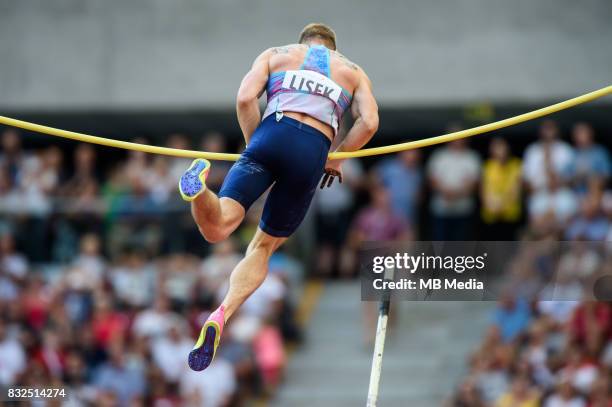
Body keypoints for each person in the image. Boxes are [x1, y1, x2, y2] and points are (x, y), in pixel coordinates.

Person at [178, 23, 378, 371]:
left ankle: (200, 191)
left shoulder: (276, 54)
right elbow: (370, 122)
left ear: (303, 43)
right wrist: (339, 155)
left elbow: (244, 99)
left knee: (219, 226)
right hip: (313, 149)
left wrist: (254, 148)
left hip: (272, 133)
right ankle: (222, 312)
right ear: (334, 47)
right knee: (263, 247)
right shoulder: (354, 71)